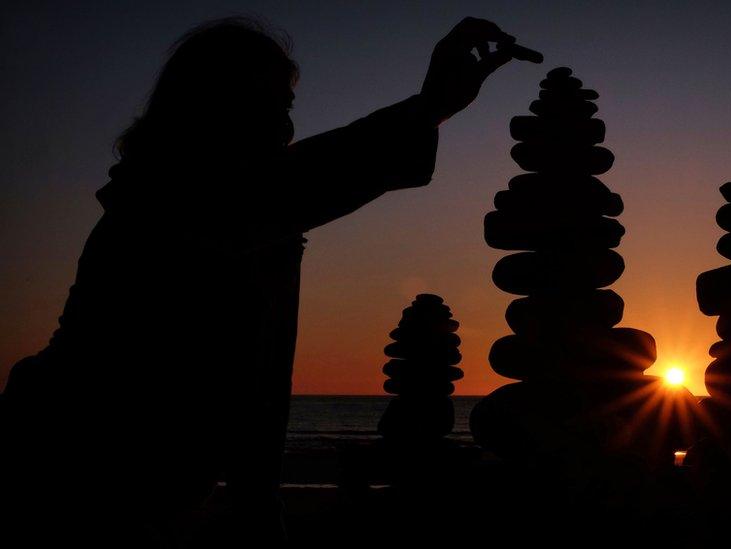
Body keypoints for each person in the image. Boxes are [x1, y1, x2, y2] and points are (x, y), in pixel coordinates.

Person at [0, 16, 541, 544]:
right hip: (68, 469)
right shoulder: (165, 200)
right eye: (265, 102)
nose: (283, 125)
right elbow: (288, 186)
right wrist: (431, 104)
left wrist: (257, 496)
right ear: (207, 105)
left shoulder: (251, 219)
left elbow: (258, 366)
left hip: (140, 486)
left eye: (285, 106)